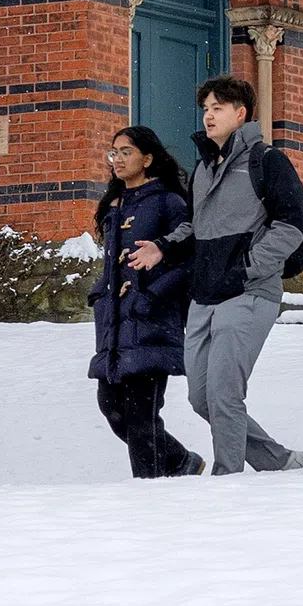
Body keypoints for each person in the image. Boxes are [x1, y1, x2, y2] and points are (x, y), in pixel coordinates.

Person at [166, 76, 303, 474]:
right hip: (205, 295)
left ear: (240, 113)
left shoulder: (267, 161)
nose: (208, 115)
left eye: (217, 107)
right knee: (201, 398)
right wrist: (162, 246)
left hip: (249, 293)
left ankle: (227, 481)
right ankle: (279, 461)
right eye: (205, 108)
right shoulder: (202, 169)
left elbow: (292, 226)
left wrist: (247, 268)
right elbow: (195, 228)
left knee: (224, 394)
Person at [90, 125, 205, 479]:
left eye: (126, 151)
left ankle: (150, 492)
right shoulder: (114, 206)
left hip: (153, 319)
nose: (118, 159)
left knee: (141, 416)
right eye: (114, 152)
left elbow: (189, 259)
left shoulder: (170, 201)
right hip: (115, 322)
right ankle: (181, 461)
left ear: (148, 158)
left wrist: (152, 294)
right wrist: (100, 296)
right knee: (111, 407)